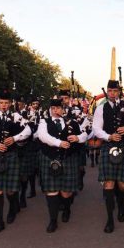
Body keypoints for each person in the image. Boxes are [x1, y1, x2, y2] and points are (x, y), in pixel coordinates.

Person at [92, 80, 124, 233]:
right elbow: (96, 128)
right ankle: (109, 219)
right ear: (107, 91)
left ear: (119, 91)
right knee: (109, 183)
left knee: (123, 185)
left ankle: (121, 204)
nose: (112, 93)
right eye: (110, 91)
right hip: (108, 146)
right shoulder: (101, 108)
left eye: (115, 91)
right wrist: (108, 137)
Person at [0, 90, 31, 234]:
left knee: (10, 190)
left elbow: (28, 130)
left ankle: (12, 208)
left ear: (10, 104)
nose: (3, 105)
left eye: (6, 103)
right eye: (1, 103)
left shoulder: (16, 116)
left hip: (11, 155)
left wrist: (15, 138)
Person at [38, 98, 88, 232]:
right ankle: (53, 220)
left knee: (66, 192)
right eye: (53, 108)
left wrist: (78, 138)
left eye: (58, 108)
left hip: (68, 159)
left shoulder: (72, 122)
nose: (55, 111)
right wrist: (59, 143)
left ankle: (67, 209)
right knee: (52, 191)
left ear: (63, 109)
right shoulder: (44, 122)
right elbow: (42, 136)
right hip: (50, 158)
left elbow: (85, 134)